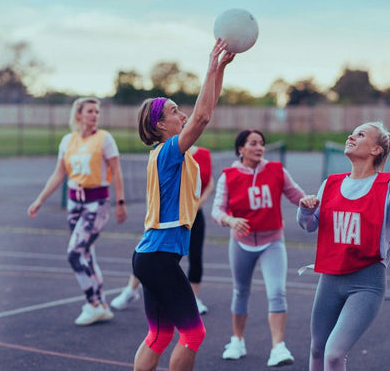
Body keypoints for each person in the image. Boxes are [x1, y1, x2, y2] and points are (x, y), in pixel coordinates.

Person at [132, 38, 235, 371]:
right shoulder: (168, 153)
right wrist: (210, 65)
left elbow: (206, 111)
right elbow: (203, 117)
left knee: (160, 336)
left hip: (151, 257)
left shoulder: (170, 154)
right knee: (193, 335)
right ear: (161, 125)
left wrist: (218, 70)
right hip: (158, 258)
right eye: (175, 111)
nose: (184, 114)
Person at [297, 121, 390, 371]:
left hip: (366, 283)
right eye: (353, 133)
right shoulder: (331, 183)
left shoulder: (389, 184)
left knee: (334, 354)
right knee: (317, 349)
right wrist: (305, 210)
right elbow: (309, 225)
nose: (351, 136)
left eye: (361, 134)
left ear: (376, 150)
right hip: (330, 279)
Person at [27, 97, 128, 326]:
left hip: (97, 203)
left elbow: (117, 171)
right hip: (75, 204)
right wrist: (40, 200)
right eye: (90, 111)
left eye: (97, 111)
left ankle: (92, 303)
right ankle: (101, 304)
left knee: (74, 253)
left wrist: (121, 202)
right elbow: (59, 174)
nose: (95, 115)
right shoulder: (68, 141)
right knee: (86, 254)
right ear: (79, 114)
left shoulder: (105, 139)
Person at [212, 129, 306, 367]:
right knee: (240, 291)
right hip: (241, 242)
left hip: (272, 241)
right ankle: (237, 340)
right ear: (241, 149)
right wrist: (230, 220)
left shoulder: (277, 171)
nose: (259, 147)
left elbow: (297, 196)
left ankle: (278, 347)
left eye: (262, 143)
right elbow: (217, 211)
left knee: (277, 292)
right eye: (253, 143)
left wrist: (310, 201)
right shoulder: (229, 176)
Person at [110, 145, 214, 315]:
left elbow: (209, 182)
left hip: (195, 214)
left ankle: (193, 298)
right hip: (170, 217)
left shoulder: (203, 154)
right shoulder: (169, 151)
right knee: (151, 252)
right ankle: (130, 290)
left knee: (195, 256)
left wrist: (197, 204)